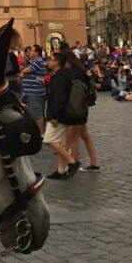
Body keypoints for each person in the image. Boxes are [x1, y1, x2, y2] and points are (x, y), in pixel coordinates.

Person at [43, 51, 82, 179]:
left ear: (57, 62)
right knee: (59, 141)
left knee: (50, 139)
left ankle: (72, 162)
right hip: (67, 112)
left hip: (59, 115)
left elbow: (59, 98)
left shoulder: (59, 77)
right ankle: (61, 170)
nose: (48, 61)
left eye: (50, 59)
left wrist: (54, 116)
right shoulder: (66, 74)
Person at [64, 51, 100, 173]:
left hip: (76, 107)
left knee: (75, 137)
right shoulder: (82, 71)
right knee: (85, 136)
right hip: (83, 107)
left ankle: (73, 163)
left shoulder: (73, 74)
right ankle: (94, 163)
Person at [20, 44, 47, 133]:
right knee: (37, 112)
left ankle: (41, 134)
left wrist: (24, 72)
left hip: (35, 92)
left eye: (31, 50)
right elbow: (26, 72)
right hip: (35, 91)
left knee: (36, 114)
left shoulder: (38, 61)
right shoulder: (34, 61)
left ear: (36, 52)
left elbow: (25, 71)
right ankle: (40, 132)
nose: (29, 52)